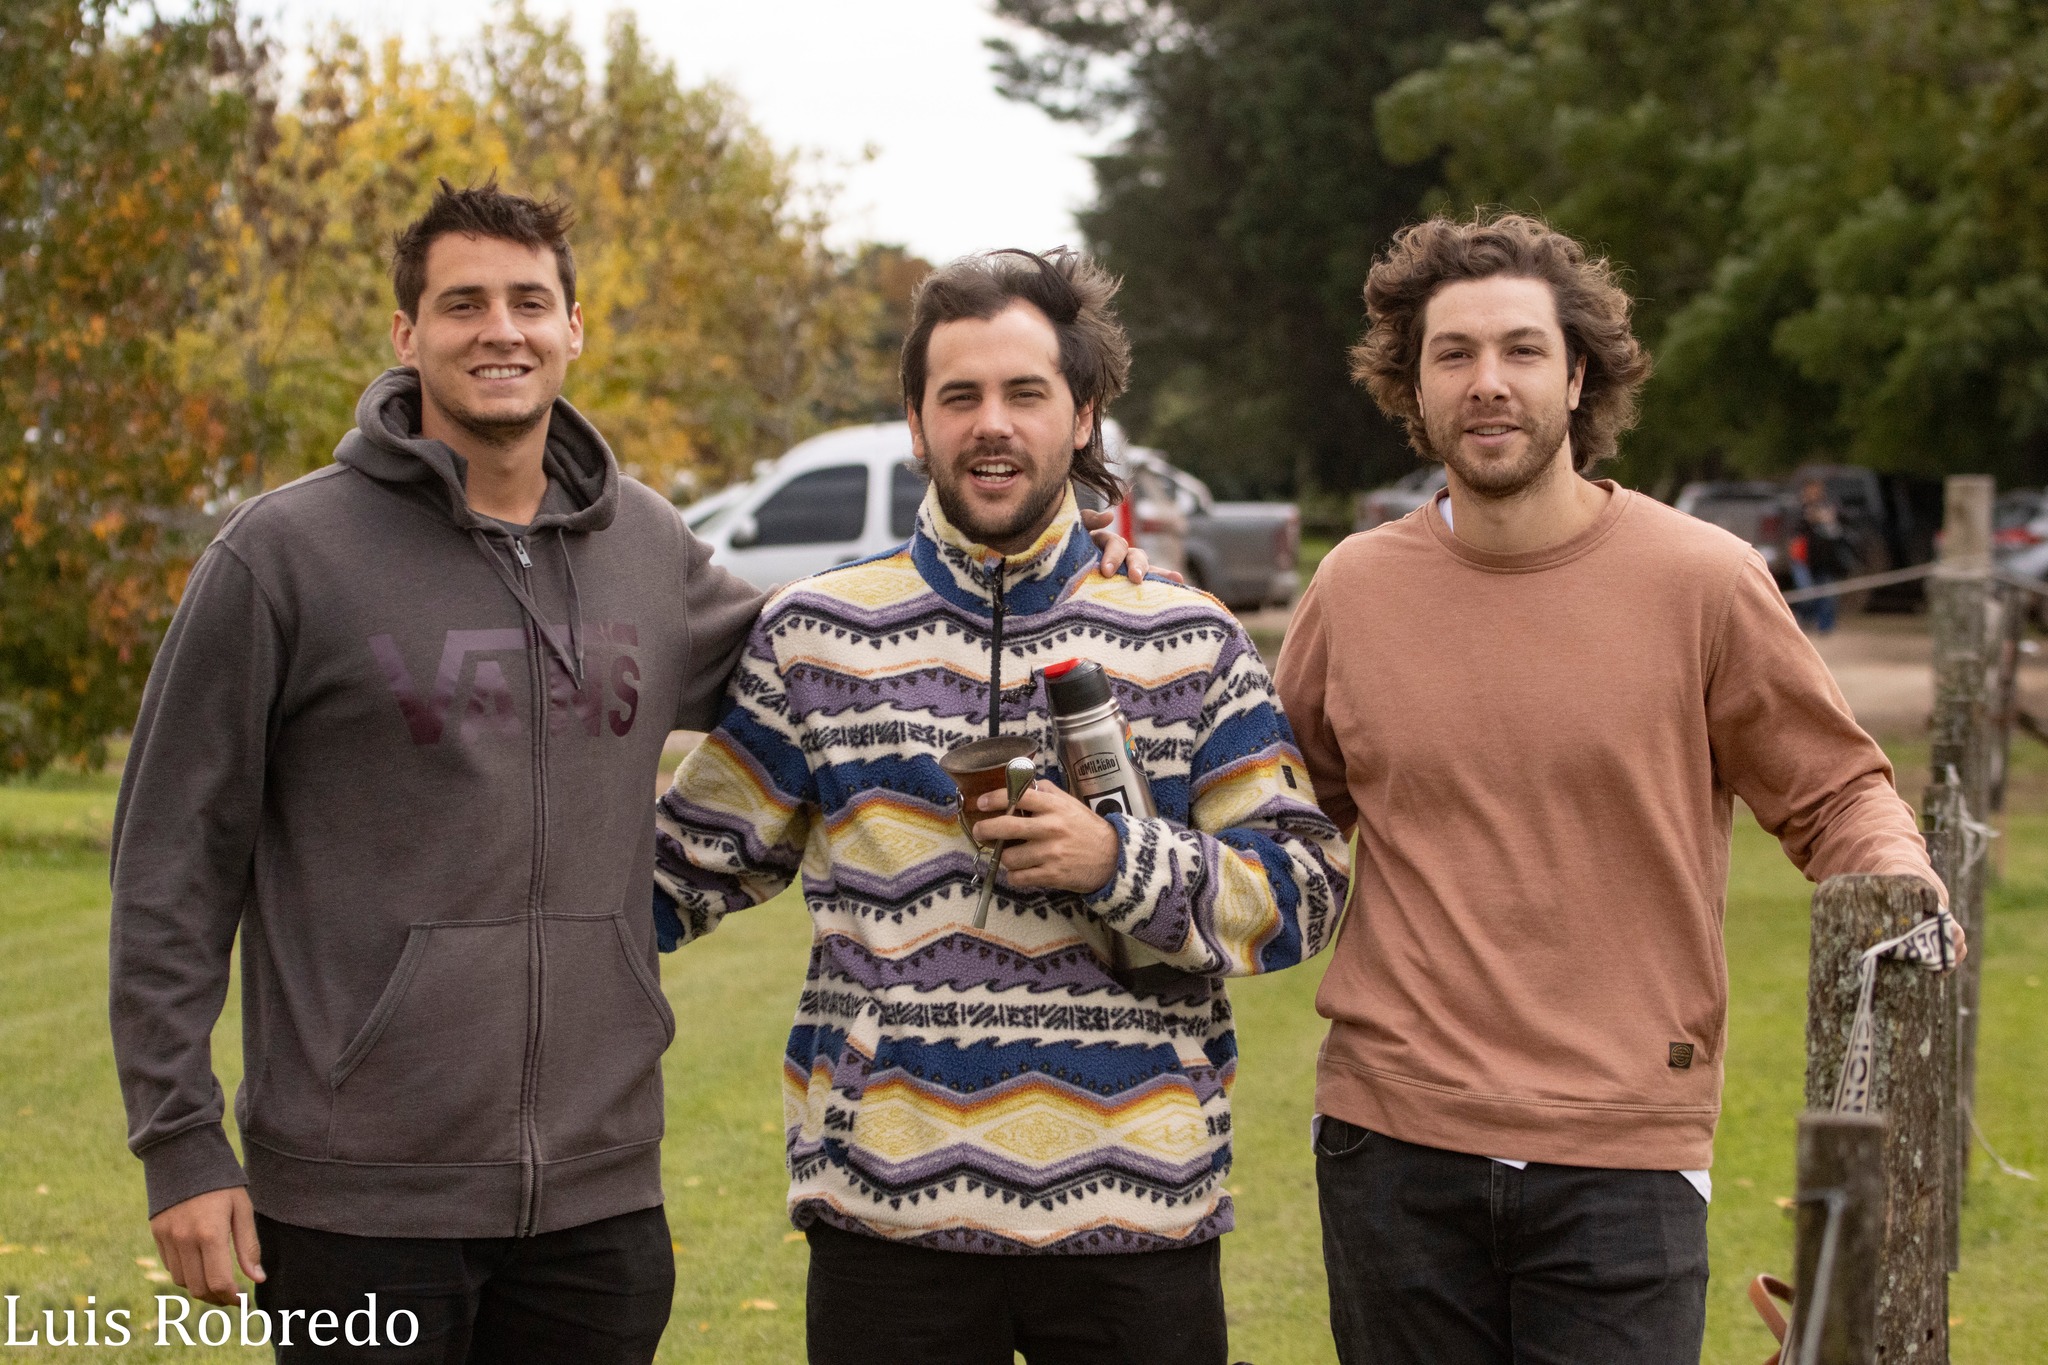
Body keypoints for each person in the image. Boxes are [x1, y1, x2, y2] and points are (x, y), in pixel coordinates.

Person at [107, 182, 1150, 1363]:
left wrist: (1070, 582)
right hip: (360, 1197)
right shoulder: (283, 557)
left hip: (598, 1207)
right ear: (406, 336)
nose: (499, 329)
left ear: (572, 326)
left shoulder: (644, 546)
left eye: (528, 302)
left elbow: (830, 659)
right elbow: (168, 869)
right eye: (463, 305)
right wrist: (180, 1141)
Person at [1272, 212, 1956, 1365]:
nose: (1487, 384)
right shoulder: (1352, 590)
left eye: (1520, 351)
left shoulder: (1700, 580)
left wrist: (1897, 885)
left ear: (1576, 373)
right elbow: (1272, 812)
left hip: (1624, 1154)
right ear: (1413, 384)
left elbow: (1834, 793)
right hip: (1389, 1139)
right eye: (1454, 355)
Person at [652, 247, 1349, 1365]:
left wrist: (1112, 861)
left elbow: (1302, 892)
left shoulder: (1185, 636)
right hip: (889, 1219)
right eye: (959, 395)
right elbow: (678, 874)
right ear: (917, 423)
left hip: (1137, 1211)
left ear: (1082, 415)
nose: (992, 423)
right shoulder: (817, 634)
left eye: (1025, 393)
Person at [1790, 476, 1852, 634]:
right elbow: (1792, 532)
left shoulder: (1830, 506)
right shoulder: (1798, 508)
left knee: (1827, 595)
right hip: (1803, 559)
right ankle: (1801, 621)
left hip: (1825, 560)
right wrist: (1808, 518)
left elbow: (1843, 524)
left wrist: (1830, 517)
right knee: (1805, 593)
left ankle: (1825, 627)